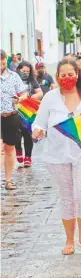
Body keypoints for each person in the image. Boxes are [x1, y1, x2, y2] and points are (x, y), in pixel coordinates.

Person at [32, 59, 81, 255]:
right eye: (63, 75)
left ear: (77, 75)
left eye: (70, 74)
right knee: (66, 197)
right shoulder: (50, 98)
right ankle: (69, 240)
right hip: (57, 155)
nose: (67, 78)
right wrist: (38, 131)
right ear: (57, 77)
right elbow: (39, 122)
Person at [0, 49, 27, 190]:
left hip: (10, 116)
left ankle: (8, 180)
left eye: (3, 61)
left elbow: (24, 93)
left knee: (9, 148)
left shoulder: (13, 76)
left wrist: (19, 99)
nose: (1, 64)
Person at [15, 61, 43, 167]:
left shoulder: (32, 81)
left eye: (28, 71)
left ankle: (28, 157)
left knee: (27, 133)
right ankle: (18, 149)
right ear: (19, 69)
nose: (26, 73)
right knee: (16, 133)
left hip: (28, 112)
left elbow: (40, 93)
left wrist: (30, 98)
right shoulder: (12, 79)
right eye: (24, 71)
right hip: (15, 111)